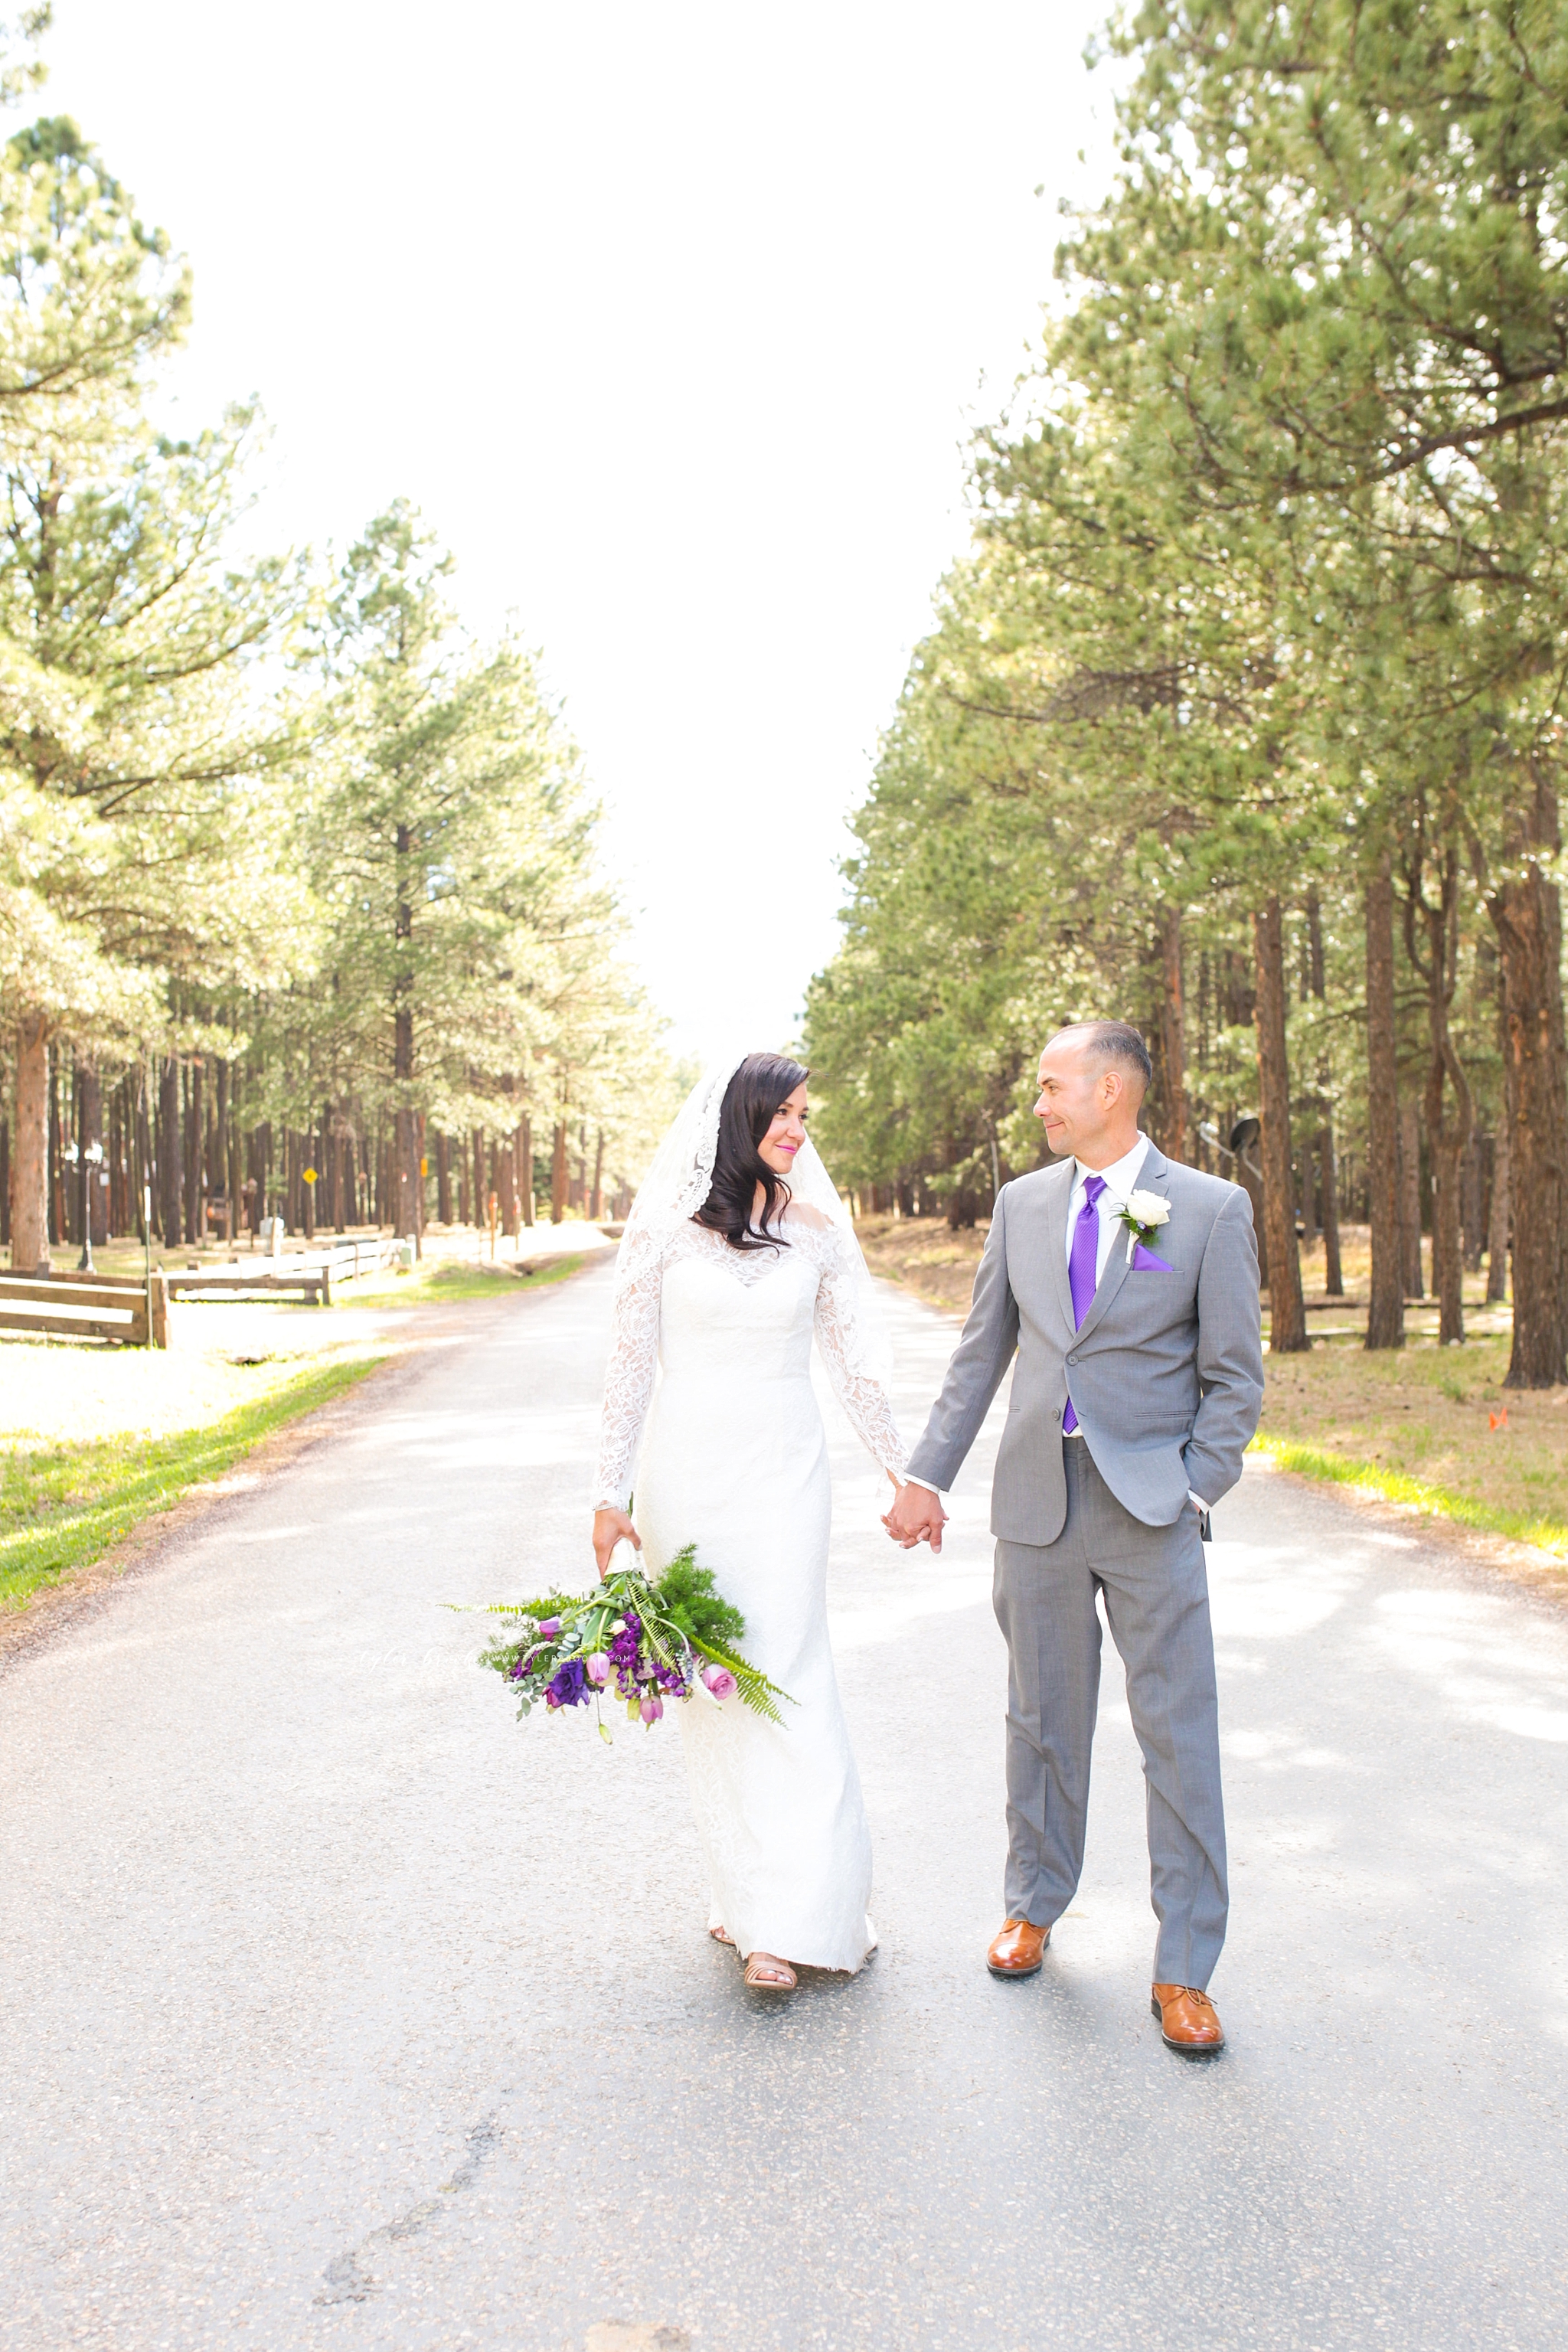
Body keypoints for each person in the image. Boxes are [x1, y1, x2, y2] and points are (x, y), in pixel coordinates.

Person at [884, 1020, 1263, 2053]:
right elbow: (980, 1356)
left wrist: (1194, 1489)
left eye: (1053, 1088)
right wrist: (929, 1476)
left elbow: (1236, 1381)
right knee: (1041, 1721)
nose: (1039, 1106)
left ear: (1112, 1090)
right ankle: (1032, 1906)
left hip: (1152, 1511)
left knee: (1177, 1737)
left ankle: (1184, 1967)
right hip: (1035, 1507)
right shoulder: (1021, 1206)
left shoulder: (1211, 1210)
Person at [592, 1052, 906, 1991]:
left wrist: (901, 1471)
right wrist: (610, 1496)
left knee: (789, 1666)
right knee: (716, 1682)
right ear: (737, 1119)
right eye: (782, 1114)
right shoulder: (662, 1237)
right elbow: (628, 1369)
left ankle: (801, 1913)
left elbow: (855, 1365)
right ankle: (750, 1900)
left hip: (784, 1473)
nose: (797, 1132)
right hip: (687, 1476)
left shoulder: (815, 1232)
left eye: (806, 1116)